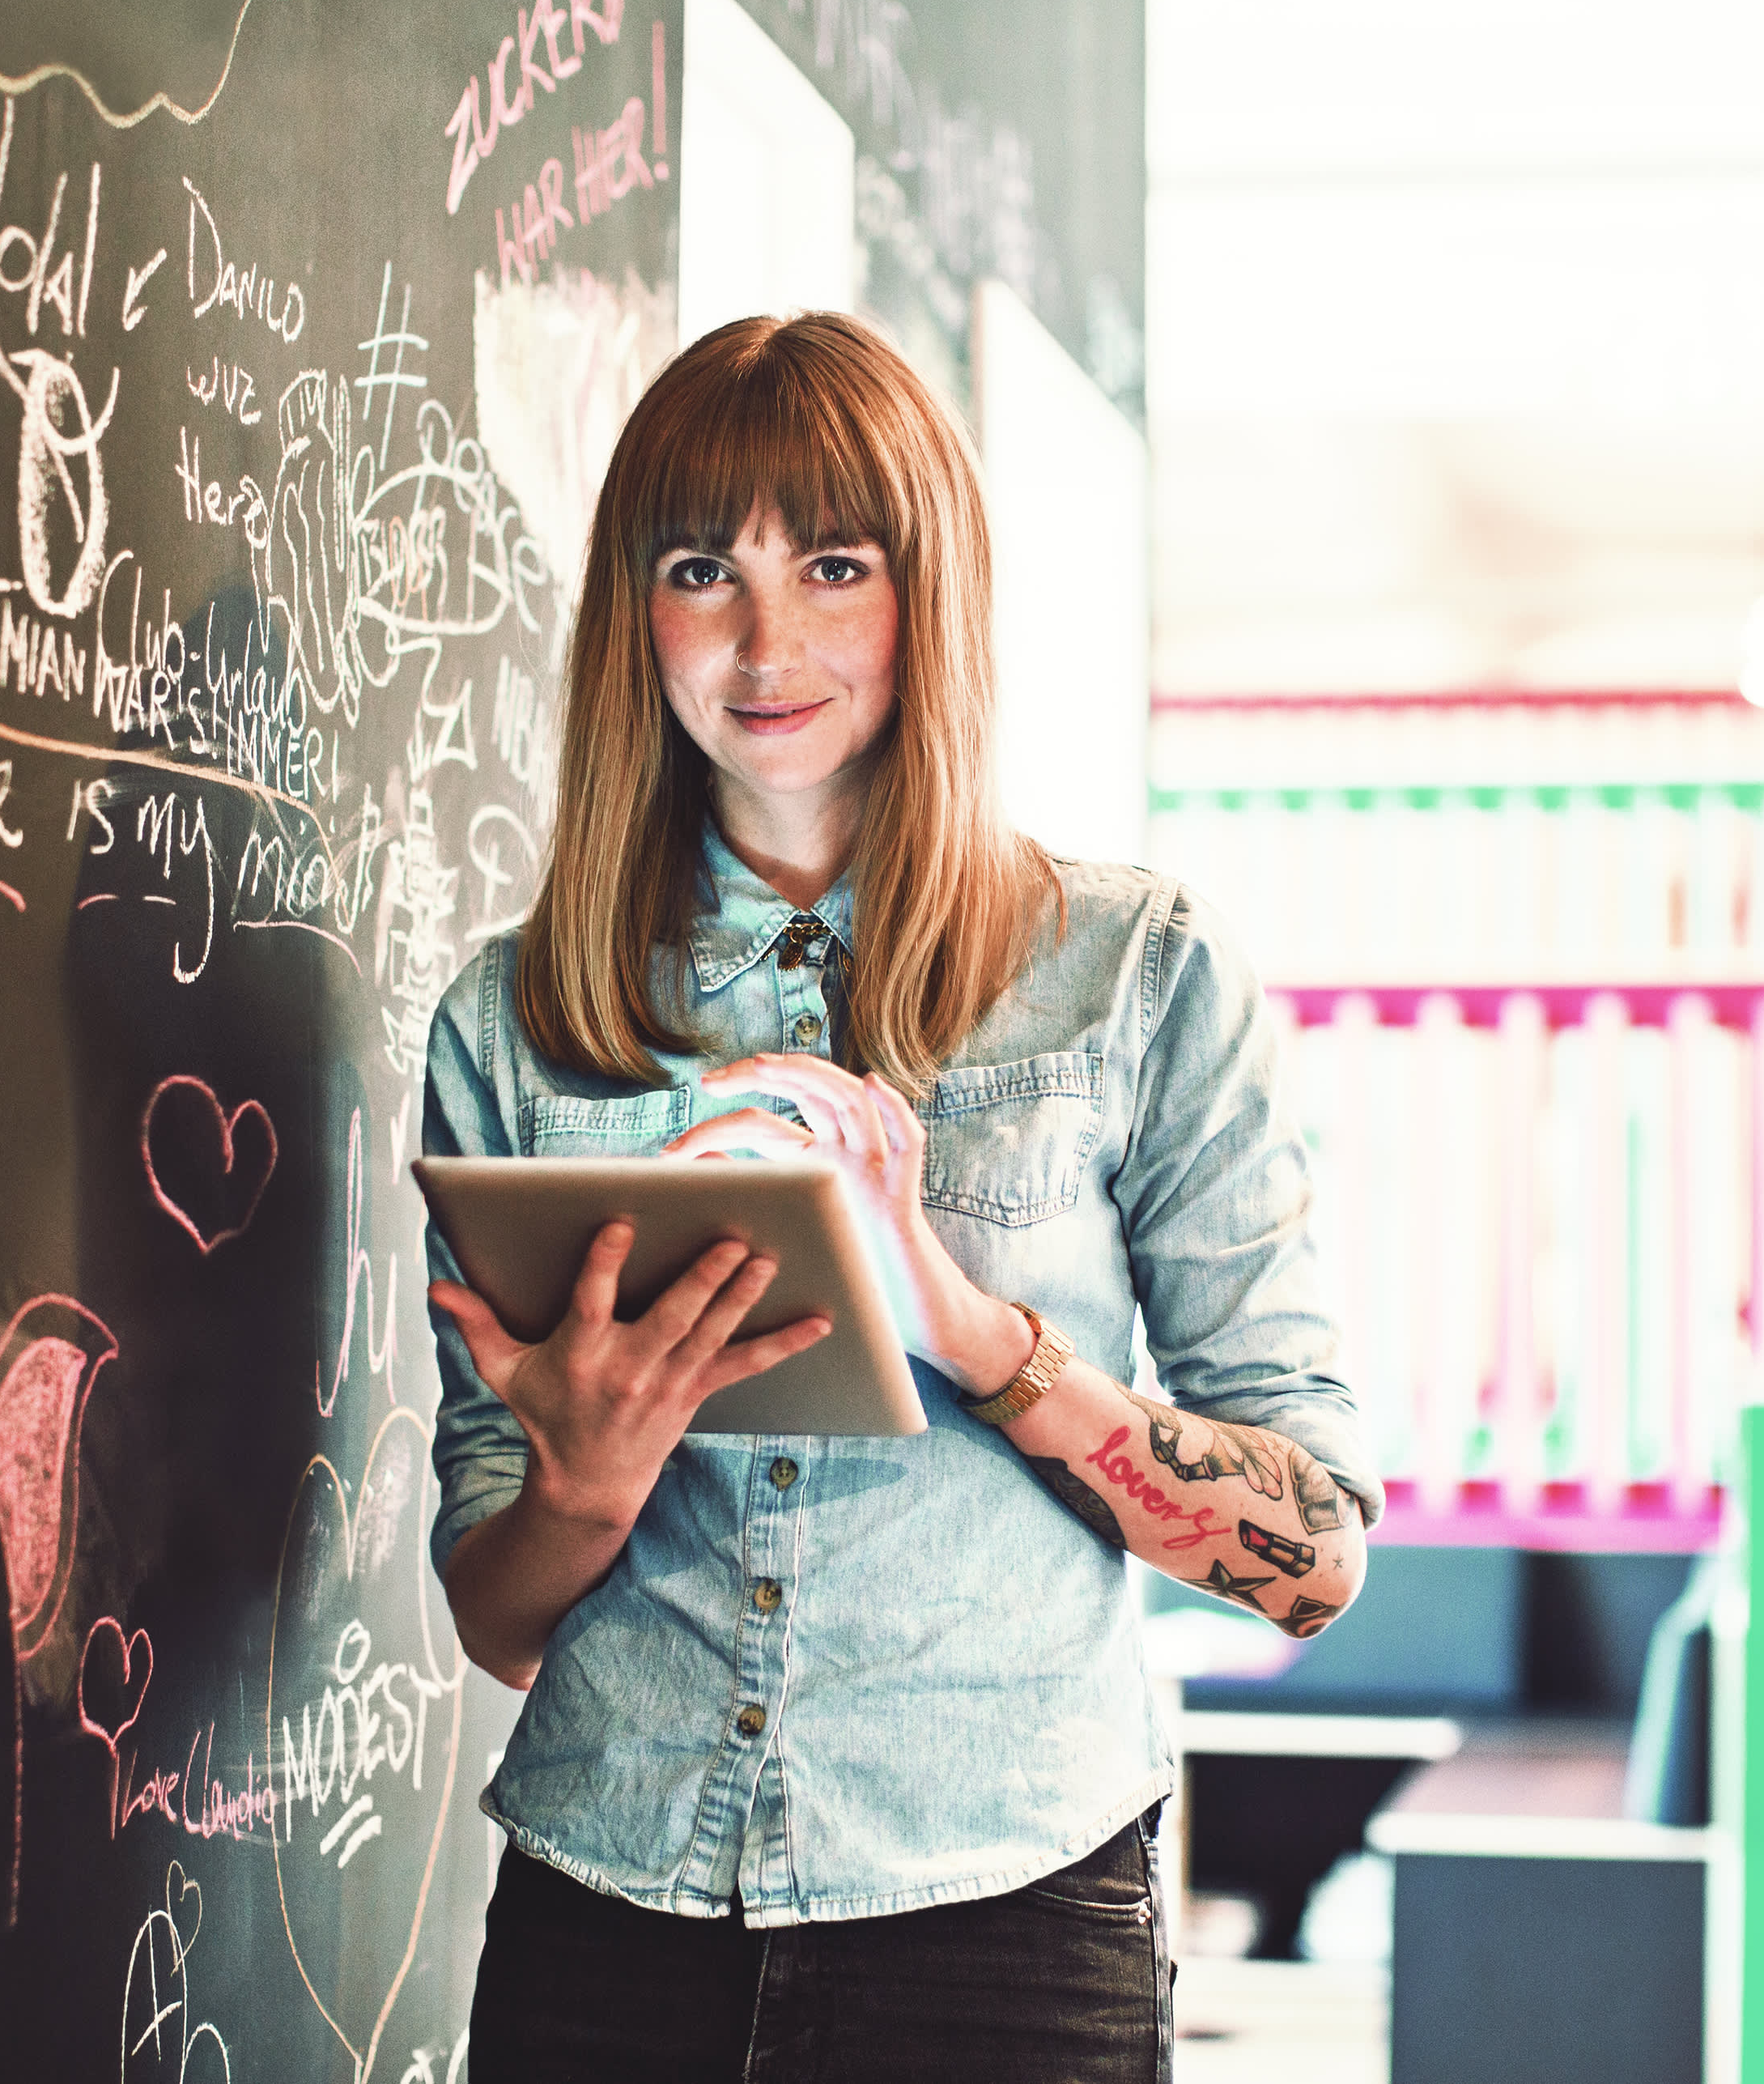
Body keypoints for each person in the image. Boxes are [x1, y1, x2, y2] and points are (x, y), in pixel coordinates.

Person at [421, 312, 1379, 2084]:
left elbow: (1311, 1556)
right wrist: (588, 1472)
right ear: (635, 614)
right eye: (701, 566)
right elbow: (494, 1610)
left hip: (1001, 1920)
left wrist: (950, 1314)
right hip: (604, 1909)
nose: (765, 639)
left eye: (835, 564)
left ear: (922, 598)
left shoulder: (1130, 975)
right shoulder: (515, 1016)